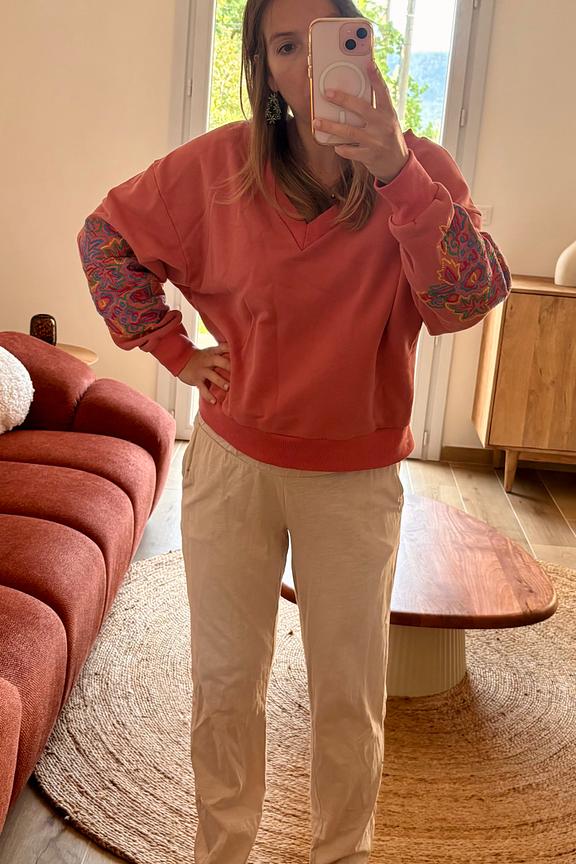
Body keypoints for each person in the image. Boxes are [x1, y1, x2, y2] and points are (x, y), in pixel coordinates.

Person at [77, 0, 512, 861]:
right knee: (224, 685)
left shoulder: (420, 169)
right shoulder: (217, 168)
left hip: (354, 483)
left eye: (328, 39)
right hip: (232, 468)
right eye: (285, 46)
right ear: (266, 70)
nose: (309, 65)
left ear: (363, 44)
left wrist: (394, 170)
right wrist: (172, 348)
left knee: (348, 697)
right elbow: (105, 239)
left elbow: (469, 298)